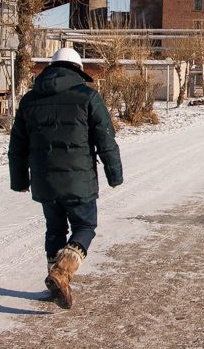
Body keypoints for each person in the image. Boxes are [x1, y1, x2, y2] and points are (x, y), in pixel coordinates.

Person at [8, 47, 123, 309]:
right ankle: (62, 272)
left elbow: (17, 146)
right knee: (85, 226)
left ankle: (55, 281)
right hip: (78, 179)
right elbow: (106, 140)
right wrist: (114, 175)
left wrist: (20, 181)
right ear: (77, 70)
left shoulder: (29, 100)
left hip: (44, 179)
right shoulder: (87, 96)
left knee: (55, 229)